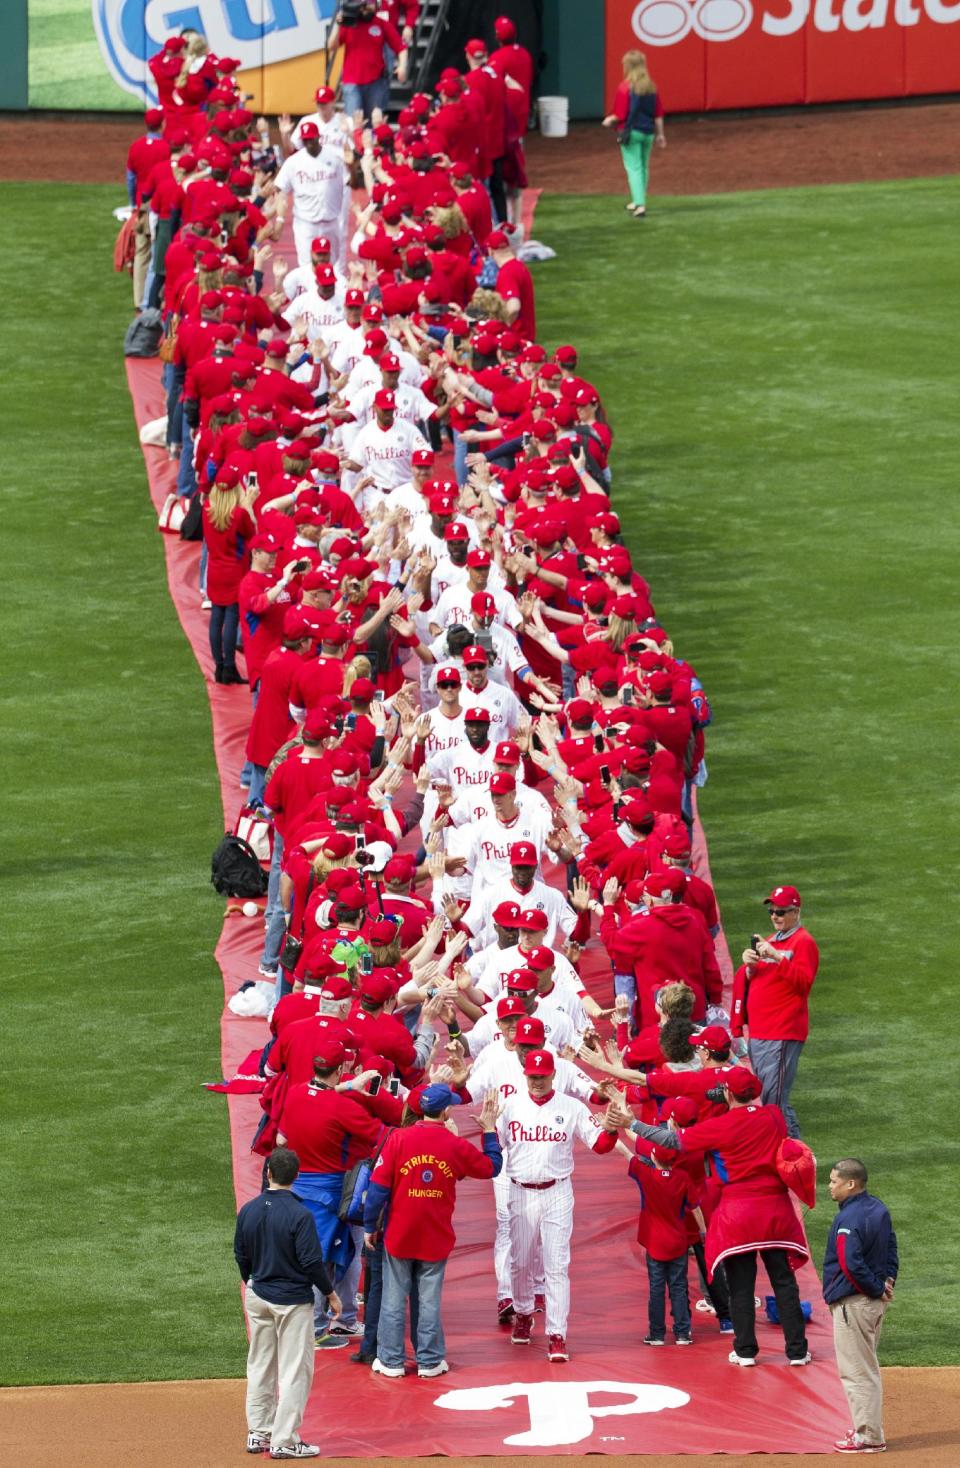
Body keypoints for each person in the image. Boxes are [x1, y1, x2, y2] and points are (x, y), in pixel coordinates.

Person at [611, 1067, 812, 1367]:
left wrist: (634, 1124)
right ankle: (797, 1351)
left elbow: (672, 1141)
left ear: (728, 1094)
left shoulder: (721, 1126)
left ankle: (745, 1351)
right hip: (775, 1211)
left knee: (742, 1285)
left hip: (738, 1214)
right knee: (783, 1281)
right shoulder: (773, 1116)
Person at [363, 1083, 503, 1377]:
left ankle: (390, 1361)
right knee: (427, 1300)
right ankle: (429, 1361)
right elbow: (491, 1167)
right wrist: (489, 1131)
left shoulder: (398, 1138)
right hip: (434, 1235)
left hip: (400, 1232)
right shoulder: (453, 1144)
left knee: (392, 1297)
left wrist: (369, 1225)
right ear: (446, 1110)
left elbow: (377, 1190)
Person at [498, 1048, 621, 1362]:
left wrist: (610, 1127)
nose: (537, 1081)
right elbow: (492, 1145)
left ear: (553, 1075)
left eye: (542, 1076)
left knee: (556, 1266)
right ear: (525, 1075)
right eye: (532, 1076)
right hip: (520, 1190)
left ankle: (557, 1334)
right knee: (520, 1261)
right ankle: (524, 1313)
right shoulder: (510, 1106)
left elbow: (601, 1146)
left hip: (557, 1192)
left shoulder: (571, 1107)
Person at [233, 1146, 343, 1460]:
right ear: (295, 1177)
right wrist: (331, 1294)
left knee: (260, 1365)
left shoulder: (250, 1210)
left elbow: (241, 1255)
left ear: (268, 1174)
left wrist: (253, 1279)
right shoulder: (300, 1214)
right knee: (295, 1371)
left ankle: (259, 1432)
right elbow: (311, 1262)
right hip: (292, 1303)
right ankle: (284, 1439)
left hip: (259, 1295)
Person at [730, 884, 820, 1138]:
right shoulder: (769, 942)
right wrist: (748, 968)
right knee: (771, 1097)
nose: (775, 916)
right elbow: (757, 981)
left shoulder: (804, 942)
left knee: (774, 1100)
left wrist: (778, 957)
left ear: (796, 911)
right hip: (760, 1031)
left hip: (782, 1031)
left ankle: (794, 1157)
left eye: (781, 911)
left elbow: (803, 984)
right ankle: (793, 1155)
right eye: (772, 911)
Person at [823, 1158, 898, 1455]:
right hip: (871, 1303)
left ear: (850, 1184)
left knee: (857, 1372)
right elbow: (891, 1246)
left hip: (853, 1304)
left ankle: (869, 1436)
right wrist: (888, 1279)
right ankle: (866, 1428)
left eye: (833, 1181)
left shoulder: (848, 1220)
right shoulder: (878, 1208)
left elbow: (850, 1264)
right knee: (866, 1367)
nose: (829, 1186)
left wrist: (877, 1287)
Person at [601, 50, 666, 219]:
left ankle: (640, 205)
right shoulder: (651, 87)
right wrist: (661, 135)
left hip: (631, 133)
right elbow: (658, 114)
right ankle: (638, 199)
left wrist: (608, 120)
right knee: (643, 167)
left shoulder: (624, 87)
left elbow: (620, 115)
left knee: (634, 169)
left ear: (628, 66)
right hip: (648, 133)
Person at [328, 3, 408, 123]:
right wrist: (338, 26)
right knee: (353, 121)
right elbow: (331, 46)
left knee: (373, 121)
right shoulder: (349, 23)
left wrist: (402, 66)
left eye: (371, 5)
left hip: (375, 81)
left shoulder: (381, 23)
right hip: (352, 82)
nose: (368, 9)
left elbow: (401, 47)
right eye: (365, 5)